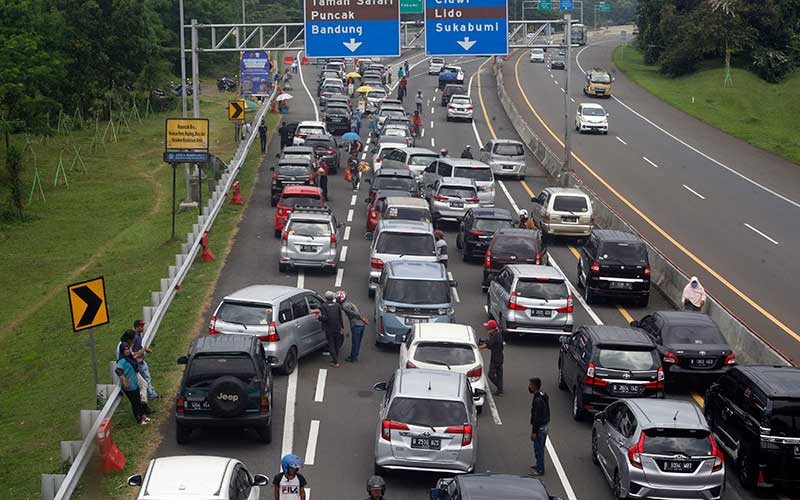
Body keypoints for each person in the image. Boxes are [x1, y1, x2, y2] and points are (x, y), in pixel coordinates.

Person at [115, 343, 150, 425]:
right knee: (135, 403)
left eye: (128, 349)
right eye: (125, 350)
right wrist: (124, 380)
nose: (127, 351)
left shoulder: (129, 358)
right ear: (122, 351)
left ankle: (142, 416)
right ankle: (139, 420)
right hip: (129, 386)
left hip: (134, 383)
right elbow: (118, 370)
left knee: (138, 400)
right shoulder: (122, 361)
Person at [337, 291, 368, 362]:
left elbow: (355, 314)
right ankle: (355, 355)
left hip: (356, 324)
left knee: (355, 342)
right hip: (360, 324)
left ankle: (353, 357)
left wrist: (362, 318)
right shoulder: (349, 303)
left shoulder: (345, 306)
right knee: (358, 341)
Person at [132, 320, 158, 400]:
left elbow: (138, 347)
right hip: (139, 362)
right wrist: (138, 357)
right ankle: (152, 394)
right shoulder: (135, 337)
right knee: (147, 378)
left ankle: (149, 394)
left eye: (143, 326)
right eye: (141, 326)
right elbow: (132, 351)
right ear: (136, 327)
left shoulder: (138, 335)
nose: (143, 327)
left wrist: (145, 349)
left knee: (144, 379)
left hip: (139, 361)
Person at [529, 377, 550, 476]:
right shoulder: (543, 395)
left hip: (540, 428)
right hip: (544, 426)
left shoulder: (537, 401)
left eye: (530, 385)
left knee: (539, 449)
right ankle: (538, 465)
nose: (529, 387)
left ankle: (540, 469)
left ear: (534, 386)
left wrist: (534, 432)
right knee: (539, 448)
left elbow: (536, 417)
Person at [318, 291, 344, 367]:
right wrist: (342, 327)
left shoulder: (324, 306)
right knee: (337, 343)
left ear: (326, 298)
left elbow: (325, 318)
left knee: (331, 344)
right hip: (337, 327)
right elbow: (340, 317)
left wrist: (318, 317)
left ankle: (335, 362)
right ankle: (336, 358)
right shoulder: (337, 305)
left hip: (329, 328)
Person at [479, 319, 504, 396]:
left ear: (490, 328)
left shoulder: (494, 335)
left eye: (488, 328)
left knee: (491, 374)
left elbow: (489, 345)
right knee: (499, 374)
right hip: (500, 357)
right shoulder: (497, 334)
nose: (486, 329)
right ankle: (500, 390)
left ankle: (500, 387)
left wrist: (479, 347)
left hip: (495, 358)